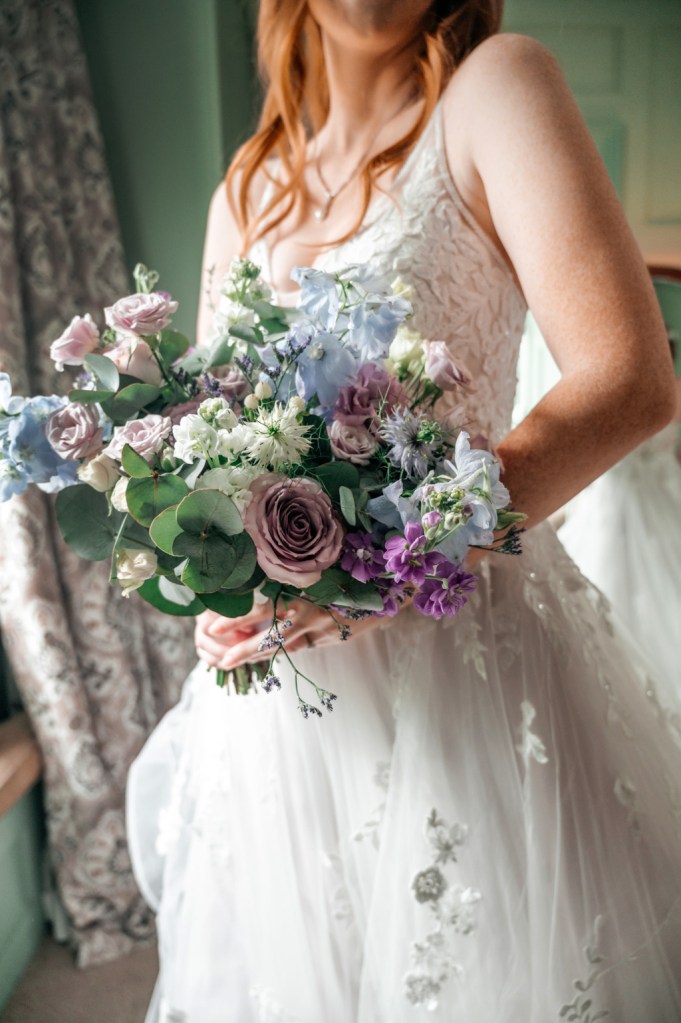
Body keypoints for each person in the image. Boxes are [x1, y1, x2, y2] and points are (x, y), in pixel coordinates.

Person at [126, 2, 681, 1020]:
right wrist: (220, 588)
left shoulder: (494, 92)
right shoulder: (245, 187)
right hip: (283, 728)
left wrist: (397, 556)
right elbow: (215, 453)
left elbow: (632, 379)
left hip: (465, 679)